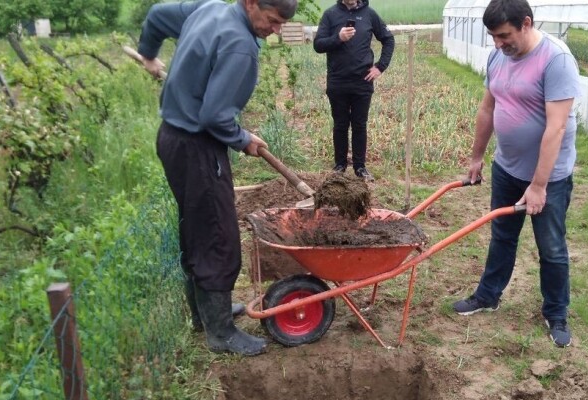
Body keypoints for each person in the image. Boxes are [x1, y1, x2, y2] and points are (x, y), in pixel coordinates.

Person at [137, 0, 298, 356]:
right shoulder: (240, 46)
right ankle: (221, 333)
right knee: (217, 237)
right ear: (251, 3)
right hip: (197, 147)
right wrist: (243, 139)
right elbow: (214, 117)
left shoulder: (209, 8)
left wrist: (148, 54)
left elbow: (157, 16)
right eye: (272, 20)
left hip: (173, 138)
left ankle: (208, 316)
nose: (275, 30)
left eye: (281, 24)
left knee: (196, 229)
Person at [451, 0, 580, 348]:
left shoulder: (556, 60)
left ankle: (556, 312)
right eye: (493, 36)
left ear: (526, 23)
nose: (498, 44)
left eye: (504, 35)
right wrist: (477, 157)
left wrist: (538, 186)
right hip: (506, 168)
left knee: (551, 247)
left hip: (547, 177)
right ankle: (488, 295)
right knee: (502, 236)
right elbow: (488, 107)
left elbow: (556, 129)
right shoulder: (498, 57)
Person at [313, 0, 395, 182]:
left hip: (362, 81)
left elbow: (388, 39)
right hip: (338, 80)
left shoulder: (370, 14)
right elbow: (318, 45)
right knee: (340, 124)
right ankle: (340, 166)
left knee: (359, 125)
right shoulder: (330, 14)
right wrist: (338, 38)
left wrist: (380, 67)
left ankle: (360, 167)